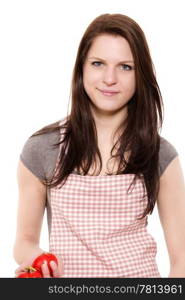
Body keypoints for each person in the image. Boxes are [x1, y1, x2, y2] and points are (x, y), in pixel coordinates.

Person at [13, 13, 185, 278]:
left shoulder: (161, 154)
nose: (109, 78)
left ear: (142, 75)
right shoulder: (42, 149)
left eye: (125, 67)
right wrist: (40, 263)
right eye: (98, 63)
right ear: (81, 68)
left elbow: (181, 259)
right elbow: (24, 241)